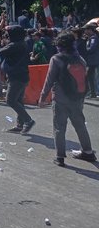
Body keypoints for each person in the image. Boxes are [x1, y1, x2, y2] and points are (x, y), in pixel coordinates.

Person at [39, 32, 96, 166]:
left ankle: (60, 157)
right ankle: (88, 152)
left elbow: (49, 80)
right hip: (77, 98)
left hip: (60, 99)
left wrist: (42, 98)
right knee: (80, 125)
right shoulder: (80, 59)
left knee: (59, 127)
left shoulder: (56, 59)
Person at [0, 25, 35, 134]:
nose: (8, 36)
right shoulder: (22, 43)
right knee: (18, 100)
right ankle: (20, 125)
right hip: (21, 75)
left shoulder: (15, 45)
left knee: (10, 100)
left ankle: (28, 120)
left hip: (16, 77)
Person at [83, 23, 99, 98]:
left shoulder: (93, 38)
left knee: (91, 77)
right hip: (91, 60)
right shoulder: (89, 38)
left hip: (93, 61)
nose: (85, 31)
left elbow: (91, 49)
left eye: (86, 30)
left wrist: (85, 50)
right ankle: (92, 92)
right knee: (90, 76)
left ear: (90, 30)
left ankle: (93, 92)